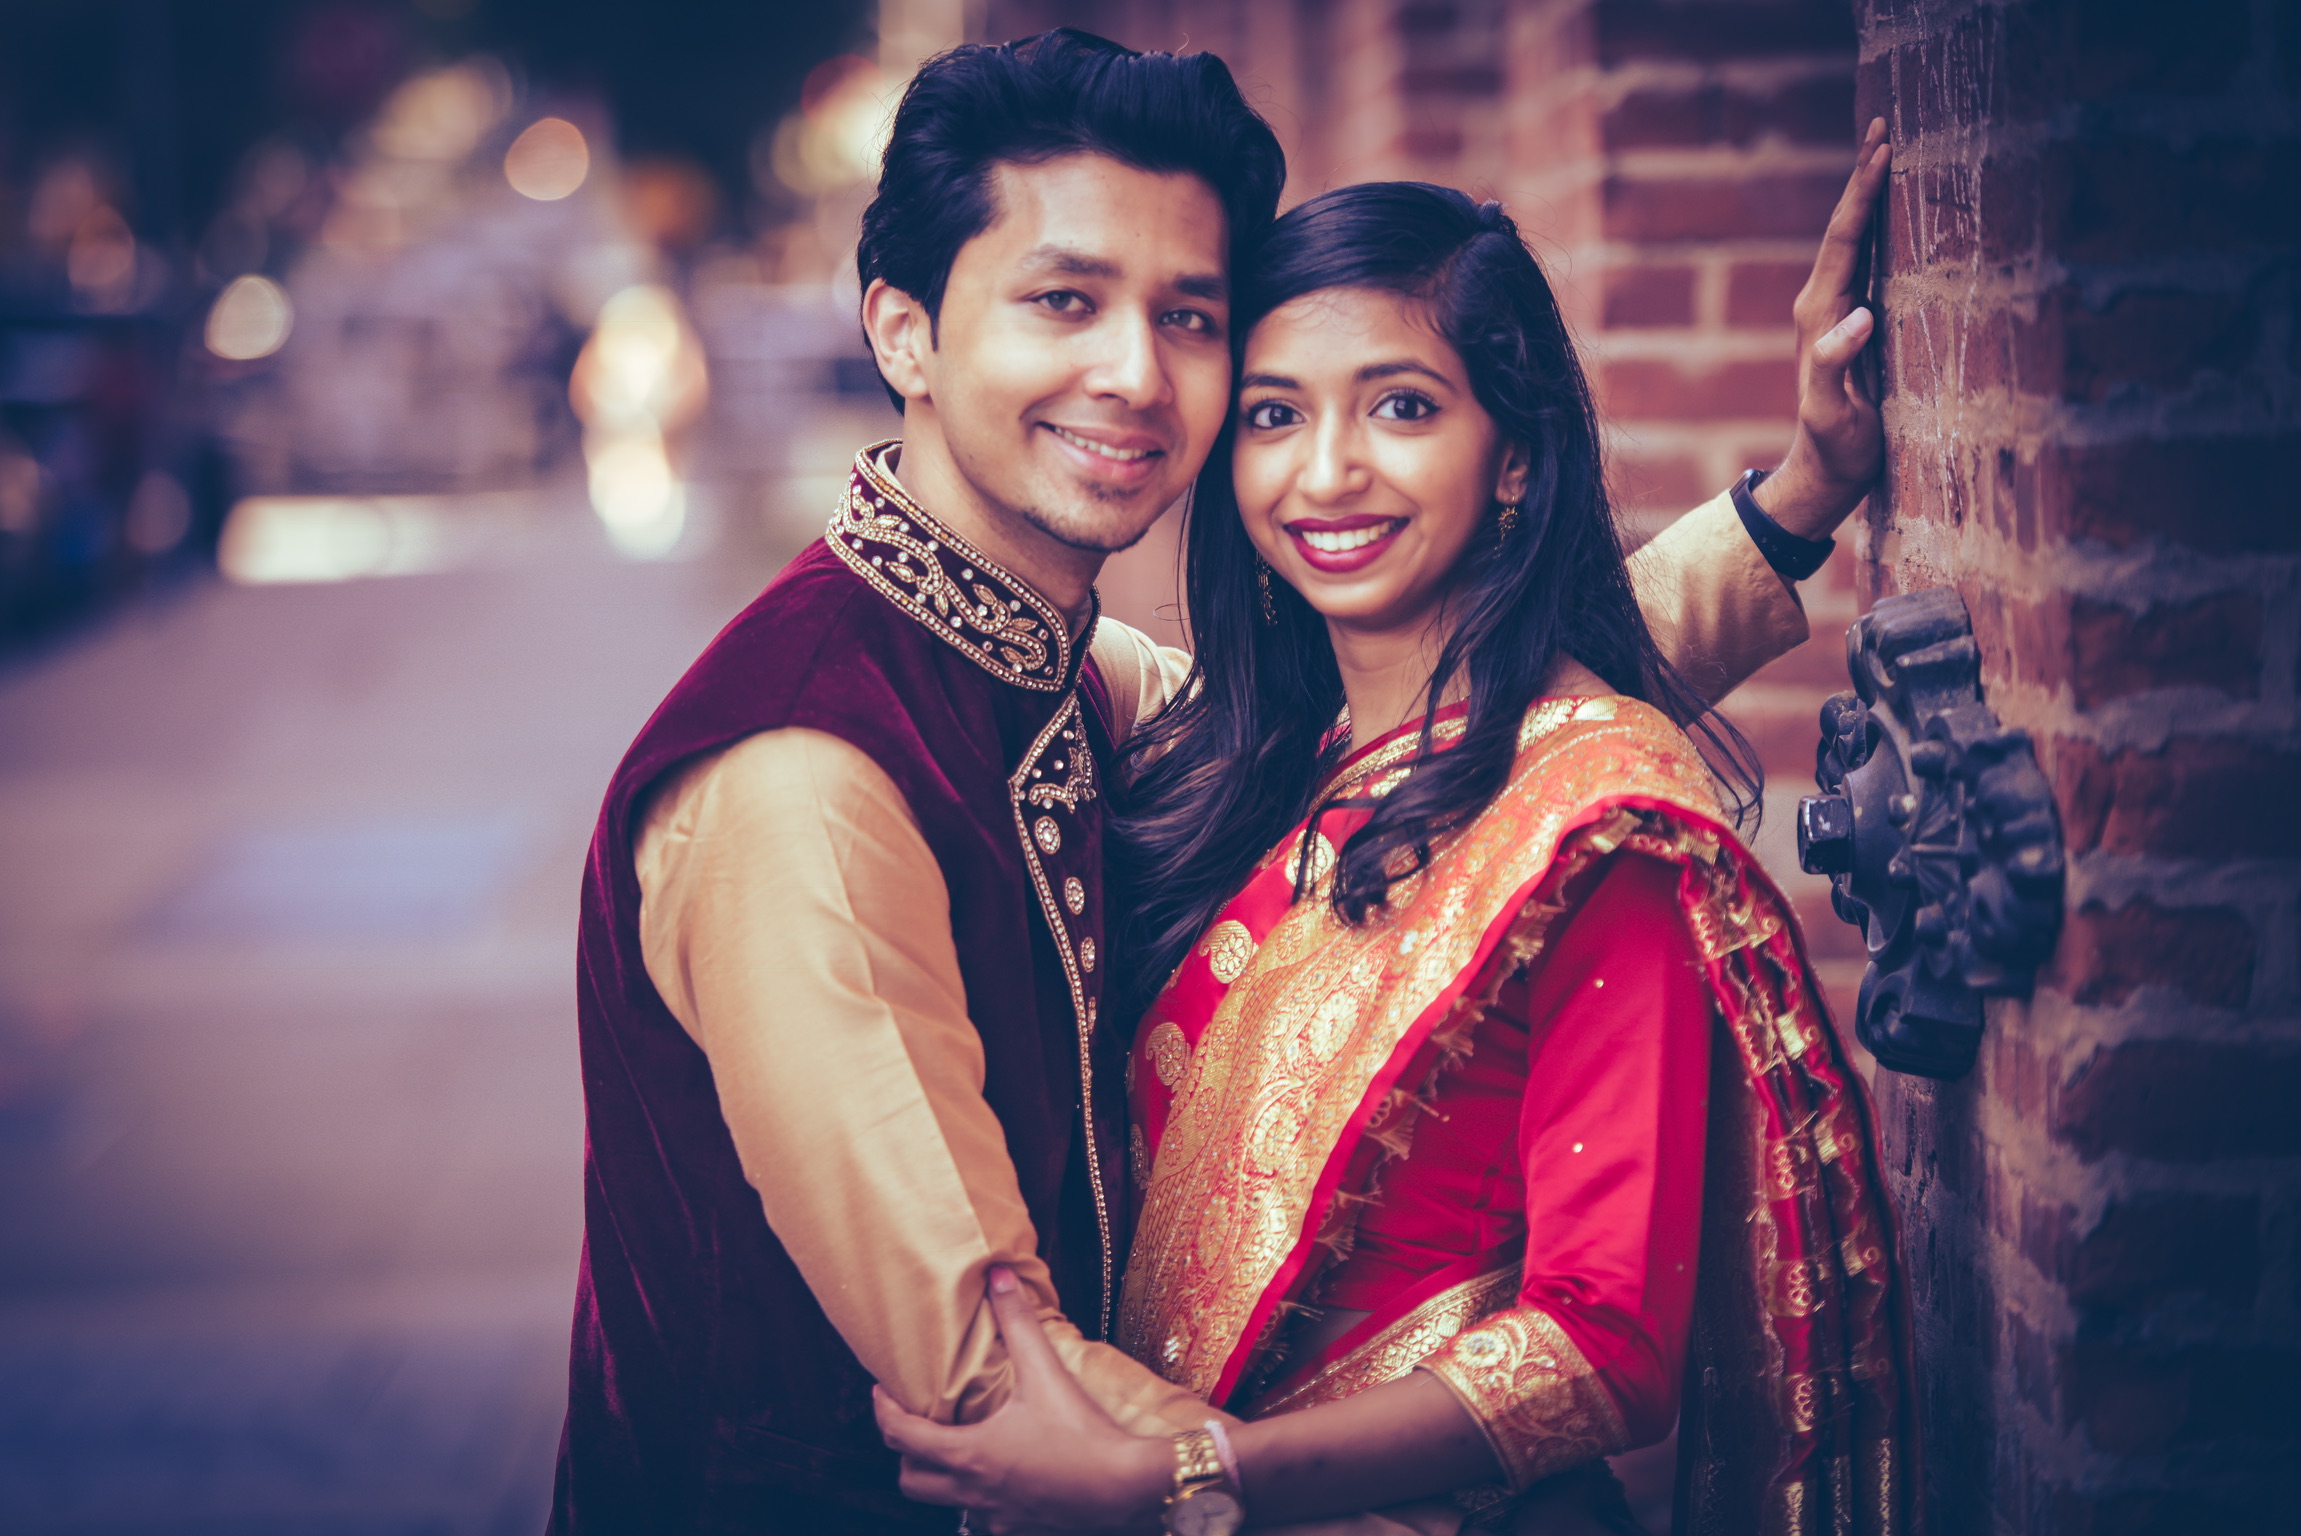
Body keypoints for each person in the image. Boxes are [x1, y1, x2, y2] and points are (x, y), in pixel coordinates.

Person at [552, 30, 1892, 1535]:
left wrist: (1787, 511)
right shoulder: (807, 769)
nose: (1131, 376)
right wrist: (1324, 1496)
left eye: (1186, 317)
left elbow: (1444, 737)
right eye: (1062, 301)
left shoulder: (1057, 673)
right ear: (905, 332)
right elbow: (999, 1382)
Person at [872, 177, 1913, 1534]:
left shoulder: (1592, 834)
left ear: (1515, 456)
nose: (1325, 472)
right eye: (1271, 415)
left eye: (1401, 407)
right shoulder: (1245, 760)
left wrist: (1181, 1476)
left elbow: (1603, 1350)